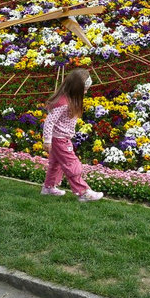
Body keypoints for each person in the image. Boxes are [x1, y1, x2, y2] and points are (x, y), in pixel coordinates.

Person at [41, 68, 103, 201]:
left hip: (60, 138)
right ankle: (83, 192)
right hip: (59, 140)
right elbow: (49, 121)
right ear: (76, 88)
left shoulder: (68, 99)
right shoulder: (63, 103)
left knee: (56, 164)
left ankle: (49, 187)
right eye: (84, 89)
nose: (86, 92)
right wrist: (47, 140)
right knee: (72, 164)